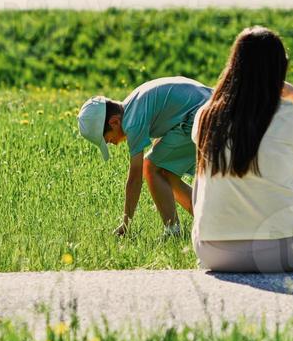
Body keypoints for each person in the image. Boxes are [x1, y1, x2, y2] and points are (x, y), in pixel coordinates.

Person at [190, 27, 293, 273]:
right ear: (279, 70)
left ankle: (210, 227)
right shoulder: (292, 116)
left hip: (214, 253)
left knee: (205, 165)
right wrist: (292, 93)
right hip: (286, 251)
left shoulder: (206, 116)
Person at [77, 76, 213, 240]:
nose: (111, 143)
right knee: (164, 172)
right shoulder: (133, 104)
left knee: (150, 167)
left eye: (108, 139)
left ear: (114, 122)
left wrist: (126, 222)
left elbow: (135, 177)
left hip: (199, 117)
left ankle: (174, 230)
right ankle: (210, 221)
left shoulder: (132, 122)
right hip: (208, 110)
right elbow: (167, 119)